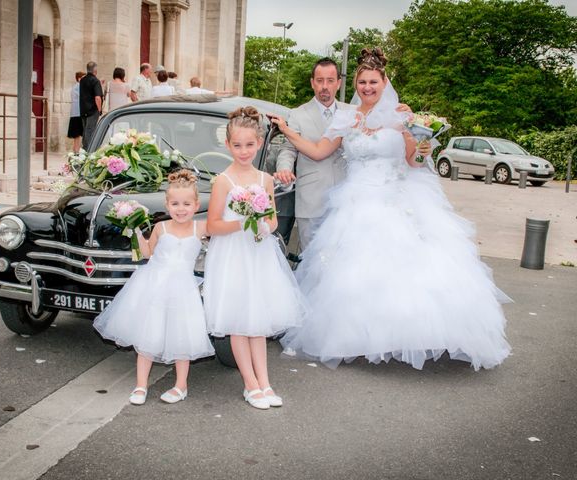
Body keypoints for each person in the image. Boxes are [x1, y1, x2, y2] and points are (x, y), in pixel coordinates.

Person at [270, 48, 511, 371]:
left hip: (393, 198)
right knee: (351, 273)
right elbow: (317, 150)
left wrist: (424, 147)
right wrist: (287, 130)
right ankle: (357, 336)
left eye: (373, 82)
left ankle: (407, 334)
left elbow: (415, 161)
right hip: (354, 201)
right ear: (354, 85)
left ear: (384, 82)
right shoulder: (348, 118)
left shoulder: (402, 116)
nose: (367, 88)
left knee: (403, 267)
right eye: (362, 83)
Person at [203, 106, 305, 410]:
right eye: (237, 145)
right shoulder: (223, 181)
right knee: (238, 321)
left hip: (259, 255)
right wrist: (243, 221)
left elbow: (272, 221)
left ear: (259, 143)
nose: (243, 151)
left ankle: (266, 382)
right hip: (232, 256)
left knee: (257, 325)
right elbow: (212, 226)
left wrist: (262, 222)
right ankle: (250, 385)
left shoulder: (265, 180)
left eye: (249, 145)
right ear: (228, 145)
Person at [94, 170, 215, 405]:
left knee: (183, 336)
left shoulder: (200, 228)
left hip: (183, 289)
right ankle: (140, 385)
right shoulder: (161, 227)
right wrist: (135, 229)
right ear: (167, 204)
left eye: (187, 204)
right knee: (147, 334)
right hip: (155, 284)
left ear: (196, 205)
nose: (181, 209)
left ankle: (181, 385)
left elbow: (223, 231)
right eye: (175, 204)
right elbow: (147, 253)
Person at [273, 58, 349, 249]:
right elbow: (288, 149)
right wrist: (284, 170)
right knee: (311, 260)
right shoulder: (297, 114)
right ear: (312, 82)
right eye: (320, 80)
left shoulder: (352, 112)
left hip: (347, 200)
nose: (325, 86)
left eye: (330, 80)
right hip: (311, 200)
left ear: (338, 83)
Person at [79, 61, 103, 149]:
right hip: (93, 110)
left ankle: (84, 150)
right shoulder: (95, 81)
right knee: (90, 130)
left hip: (83, 109)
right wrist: (99, 110)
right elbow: (97, 97)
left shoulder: (82, 80)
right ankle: (89, 151)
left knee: (85, 130)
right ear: (95, 70)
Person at [67, 71, 84, 153]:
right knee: (77, 136)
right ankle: (76, 152)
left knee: (76, 136)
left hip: (74, 113)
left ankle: (76, 151)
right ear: (79, 78)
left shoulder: (75, 87)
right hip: (78, 113)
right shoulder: (79, 86)